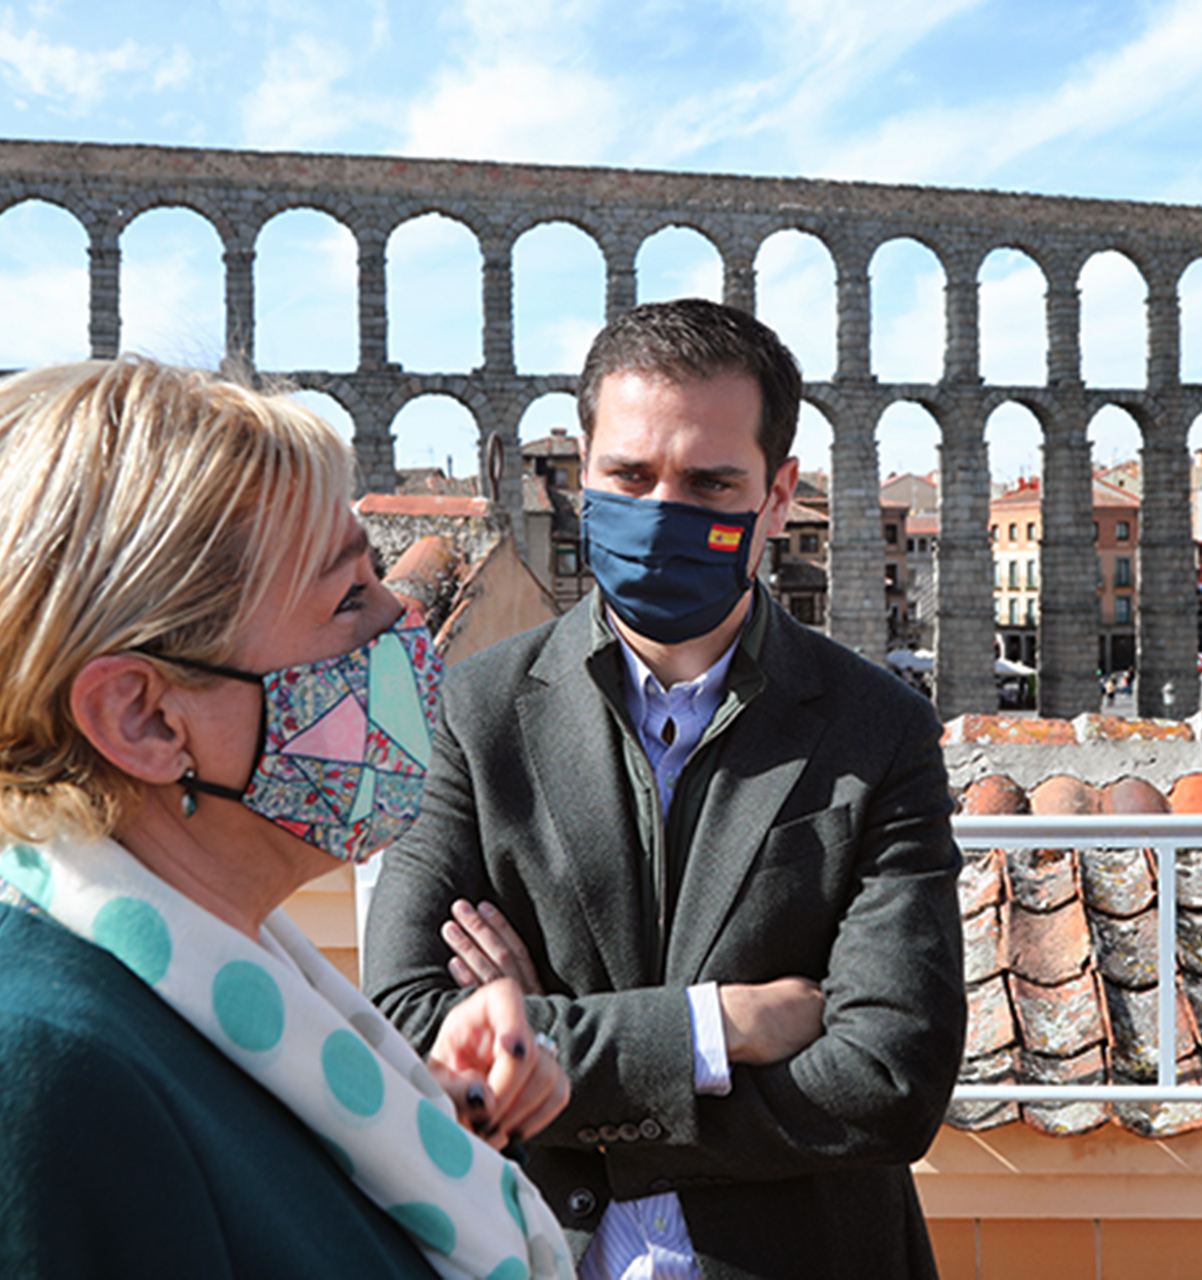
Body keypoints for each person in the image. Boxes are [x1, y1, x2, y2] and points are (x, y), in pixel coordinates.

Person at [0, 358, 574, 1279]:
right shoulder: (2, 1089)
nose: (406, 617)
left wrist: (421, 1117)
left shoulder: (199, 959)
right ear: (145, 718)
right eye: (349, 598)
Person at [363, 299, 966, 1279]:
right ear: (582, 474)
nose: (661, 512)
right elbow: (407, 1032)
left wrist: (551, 1054)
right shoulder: (473, 714)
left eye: (709, 483)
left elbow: (889, 1078)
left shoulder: (877, 729)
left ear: (777, 496)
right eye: (631, 477)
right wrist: (718, 1027)